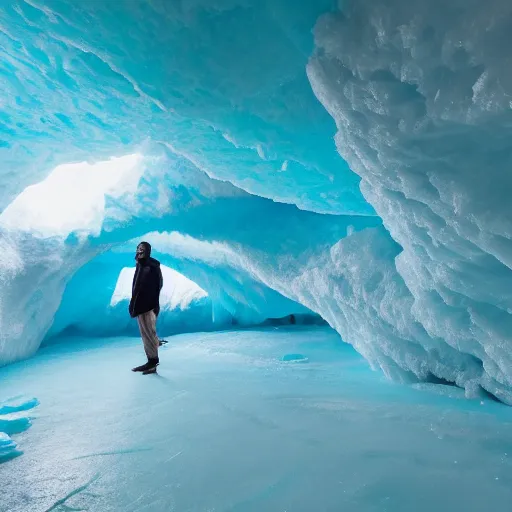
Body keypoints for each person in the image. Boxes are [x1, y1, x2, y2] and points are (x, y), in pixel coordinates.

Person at [129, 241, 163, 374]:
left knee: (148, 333)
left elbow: (158, 285)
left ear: (148, 251)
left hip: (147, 306)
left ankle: (152, 362)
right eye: (138, 248)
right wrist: (134, 303)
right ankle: (151, 361)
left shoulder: (151, 266)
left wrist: (153, 304)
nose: (139, 251)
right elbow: (136, 287)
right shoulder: (140, 265)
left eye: (142, 249)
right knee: (146, 334)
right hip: (140, 305)